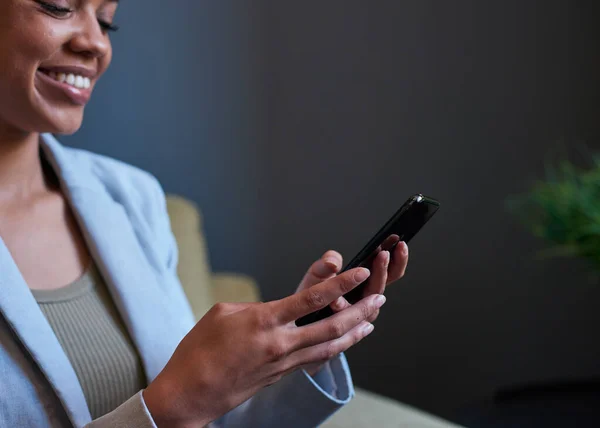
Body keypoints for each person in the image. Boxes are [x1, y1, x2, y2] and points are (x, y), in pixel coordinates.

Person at [0, 1, 410, 427]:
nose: (95, 43)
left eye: (106, 21)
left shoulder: (130, 196)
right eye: (59, 7)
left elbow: (213, 419)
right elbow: (184, 406)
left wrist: (300, 345)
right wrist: (175, 404)